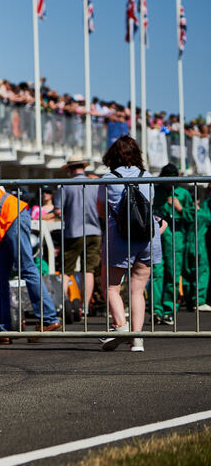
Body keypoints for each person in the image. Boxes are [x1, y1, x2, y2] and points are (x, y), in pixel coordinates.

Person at [0, 157, 62, 338]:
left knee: (27, 267)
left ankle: (49, 319)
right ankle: (1, 328)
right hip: (3, 227)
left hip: (13, 220)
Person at [98, 136, 162, 352]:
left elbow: (101, 210)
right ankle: (138, 340)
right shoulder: (148, 177)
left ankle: (122, 326)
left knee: (111, 286)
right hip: (147, 237)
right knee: (137, 290)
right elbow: (149, 205)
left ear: (112, 155)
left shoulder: (108, 178)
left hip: (119, 236)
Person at [53, 157, 102, 316]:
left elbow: (58, 211)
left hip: (73, 231)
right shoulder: (95, 185)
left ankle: (64, 304)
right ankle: (85, 306)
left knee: (66, 270)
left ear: (69, 169)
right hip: (94, 231)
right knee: (89, 270)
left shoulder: (65, 185)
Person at [153, 163, 193, 325]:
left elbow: (193, 217)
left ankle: (169, 310)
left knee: (173, 275)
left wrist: (180, 209)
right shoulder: (154, 191)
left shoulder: (183, 193)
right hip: (157, 235)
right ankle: (156, 310)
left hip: (176, 238)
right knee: (156, 273)